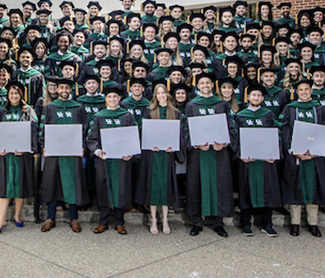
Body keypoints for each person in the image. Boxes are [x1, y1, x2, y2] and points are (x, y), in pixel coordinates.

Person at [181, 72, 234, 238]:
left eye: (208, 83)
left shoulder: (221, 104)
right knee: (196, 184)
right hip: (199, 153)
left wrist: (224, 143)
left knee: (220, 184)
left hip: (218, 153)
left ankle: (218, 223)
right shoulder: (191, 105)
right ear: (198, 86)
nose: (205, 85)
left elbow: (230, 127)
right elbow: (186, 129)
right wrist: (195, 143)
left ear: (213, 86)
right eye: (202, 83)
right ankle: (197, 222)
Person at [279, 79, 325, 237]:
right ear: (296, 92)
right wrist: (293, 150)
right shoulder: (290, 108)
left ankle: (313, 223)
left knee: (313, 189)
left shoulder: (320, 108)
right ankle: (295, 223)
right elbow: (284, 130)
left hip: (315, 157)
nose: (304, 92)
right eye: (300, 90)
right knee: (295, 187)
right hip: (295, 156)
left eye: (306, 89)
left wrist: (317, 151)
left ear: (311, 90)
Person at [87, 83, 137, 235]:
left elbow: (134, 136)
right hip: (105, 159)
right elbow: (91, 137)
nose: (113, 99)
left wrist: (131, 152)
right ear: (106, 99)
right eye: (110, 96)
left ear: (120, 98)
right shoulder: (98, 117)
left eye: (115, 96)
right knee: (104, 187)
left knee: (122, 187)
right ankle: (103, 221)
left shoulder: (127, 116)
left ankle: (119, 222)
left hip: (122, 160)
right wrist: (97, 151)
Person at [232, 82, 281, 237]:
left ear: (262, 98)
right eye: (253, 95)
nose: (256, 97)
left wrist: (275, 153)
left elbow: (276, 136)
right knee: (247, 189)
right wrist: (240, 154)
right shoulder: (240, 116)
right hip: (247, 161)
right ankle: (246, 223)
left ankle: (267, 223)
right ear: (248, 97)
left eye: (259, 95)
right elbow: (235, 138)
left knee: (268, 189)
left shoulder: (269, 115)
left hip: (266, 161)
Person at [38, 80, 87, 233]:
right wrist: (43, 146)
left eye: (67, 87)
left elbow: (84, 129)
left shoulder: (78, 107)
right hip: (54, 151)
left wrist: (82, 146)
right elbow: (42, 128)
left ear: (71, 89)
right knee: (52, 182)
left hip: (72, 153)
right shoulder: (50, 108)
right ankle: (50, 218)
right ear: (57, 89)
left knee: (73, 183)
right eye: (61, 87)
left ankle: (74, 218)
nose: (64, 90)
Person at [138, 82, 183, 235]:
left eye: (164, 92)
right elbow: (143, 133)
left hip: (167, 155)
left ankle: (165, 220)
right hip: (153, 155)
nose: (161, 95)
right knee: (153, 187)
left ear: (167, 95)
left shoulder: (175, 113)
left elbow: (179, 135)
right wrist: (150, 145)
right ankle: (153, 220)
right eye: (159, 93)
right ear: (155, 96)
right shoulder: (149, 112)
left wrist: (174, 147)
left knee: (165, 186)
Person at [0, 83, 38, 234]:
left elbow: (33, 130)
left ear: (21, 95)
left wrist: (27, 148)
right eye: (11, 93)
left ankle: (17, 216)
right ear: (7, 95)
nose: (14, 96)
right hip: (4, 156)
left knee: (20, 184)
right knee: (4, 186)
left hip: (21, 155)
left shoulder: (28, 110)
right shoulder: (1, 111)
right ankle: (1, 221)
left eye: (17, 93)